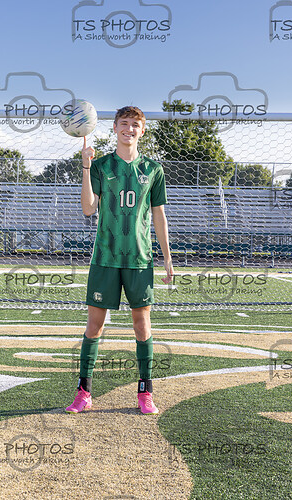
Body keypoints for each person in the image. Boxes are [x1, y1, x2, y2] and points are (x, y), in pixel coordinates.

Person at [65, 106, 174, 415]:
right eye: (124, 123)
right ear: (114, 128)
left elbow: (159, 215)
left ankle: (145, 392)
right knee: (94, 325)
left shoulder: (153, 169)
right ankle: (84, 392)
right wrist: (85, 167)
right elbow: (88, 208)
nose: (129, 129)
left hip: (139, 258)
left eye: (135, 124)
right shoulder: (101, 165)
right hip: (105, 257)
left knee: (142, 324)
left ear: (142, 130)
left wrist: (167, 258)